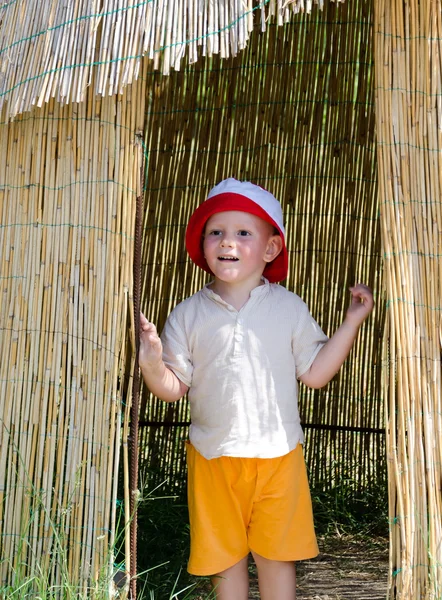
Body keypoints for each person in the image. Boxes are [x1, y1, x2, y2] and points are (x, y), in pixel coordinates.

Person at [139, 178, 374, 600]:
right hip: (213, 457)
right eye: (216, 231)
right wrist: (153, 362)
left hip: (278, 456)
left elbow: (316, 373)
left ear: (270, 249)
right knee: (225, 559)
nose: (227, 241)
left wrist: (353, 320)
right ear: (202, 243)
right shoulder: (188, 314)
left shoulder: (288, 307)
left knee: (276, 556)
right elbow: (173, 388)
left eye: (243, 232)